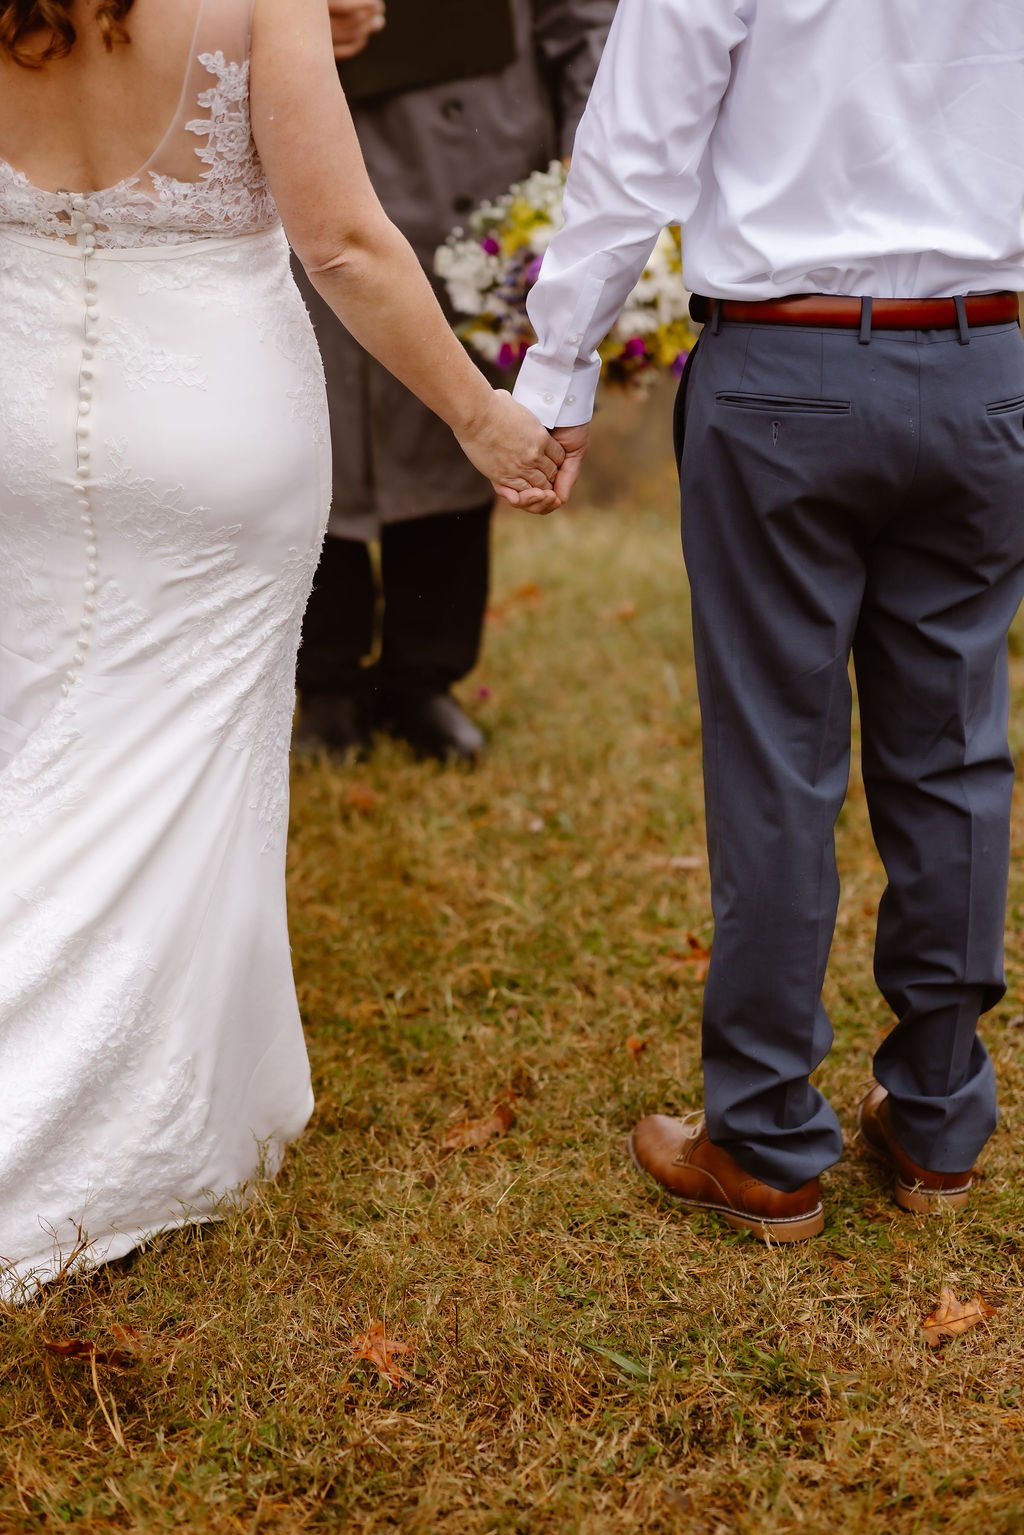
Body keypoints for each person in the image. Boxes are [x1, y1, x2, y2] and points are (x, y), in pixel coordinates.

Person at [0, 0, 562, 1298]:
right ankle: (122, 1114)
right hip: (216, 426)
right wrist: (479, 420)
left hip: (26, 418)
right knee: (182, 764)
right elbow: (348, 245)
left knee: (41, 738)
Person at [516, 0, 1024, 1240]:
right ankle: (939, 1115)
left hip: (785, 376)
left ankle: (763, 1135)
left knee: (777, 759)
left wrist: (557, 373)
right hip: (983, 366)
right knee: (954, 745)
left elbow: (634, 148)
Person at [292, 0, 615, 762]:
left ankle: (422, 675)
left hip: (481, 154)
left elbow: (584, 16)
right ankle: (323, 680)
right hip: (308, 126)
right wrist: (286, 19)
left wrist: (592, 151)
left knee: (460, 408)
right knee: (311, 404)